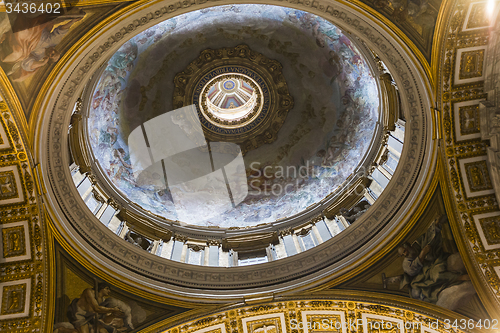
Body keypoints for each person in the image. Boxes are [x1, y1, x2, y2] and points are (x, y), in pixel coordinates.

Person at [397, 216, 470, 303]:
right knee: (437, 275)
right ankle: (460, 277)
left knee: (440, 266)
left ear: (408, 246)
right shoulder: (406, 263)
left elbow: (427, 237)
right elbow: (412, 271)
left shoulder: (416, 245)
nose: (406, 253)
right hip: (423, 276)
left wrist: (436, 225)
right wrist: (422, 255)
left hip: (435, 262)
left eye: (405, 250)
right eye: (403, 254)